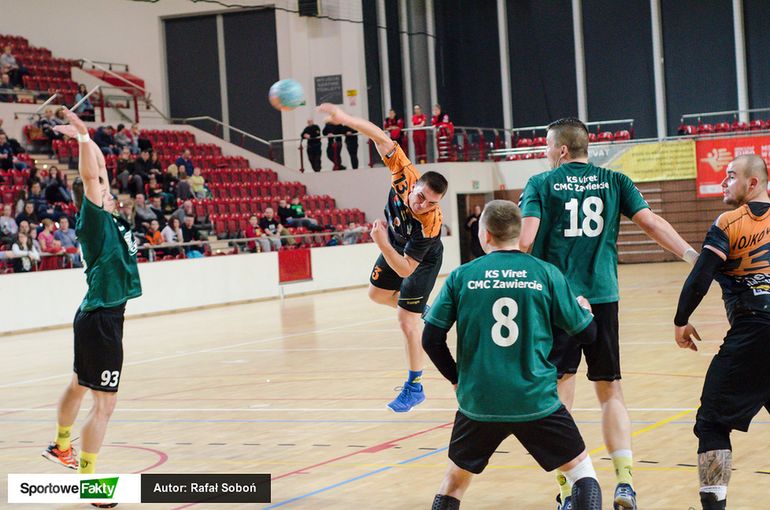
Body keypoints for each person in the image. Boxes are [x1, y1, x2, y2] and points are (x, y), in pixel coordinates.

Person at [517, 117, 698, 510]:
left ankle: (569, 490)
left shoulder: (540, 184)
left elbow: (526, 239)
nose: (546, 153)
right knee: (610, 389)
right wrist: (692, 257)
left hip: (557, 301)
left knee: (559, 391)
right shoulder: (616, 181)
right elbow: (651, 224)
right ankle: (625, 483)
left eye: (548, 146)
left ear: (562, 150)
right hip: (602, 297)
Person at [423, 200, 602, 510]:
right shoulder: (545, 273)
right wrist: (584, 310)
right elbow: (587, 335)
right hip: (535, 399)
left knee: (454, 481)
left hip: (479, 401)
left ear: (485, 234)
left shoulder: (461, 276)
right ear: (519, 234)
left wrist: (456, 379)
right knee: (581, 472)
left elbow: (431, 340)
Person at [319, 102, 447, 413]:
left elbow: (405, 269)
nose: (422, 205)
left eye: (430, 203)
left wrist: (381, 243)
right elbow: (380, 136)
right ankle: (424, 309)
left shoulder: (429, 224)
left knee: (406, 320)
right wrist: (344, 118)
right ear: (415, 186)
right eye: (421, 197)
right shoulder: (405, 173)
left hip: (420, 258)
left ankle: (415, 387)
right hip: (395, 243)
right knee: (376, 294)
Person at [42, 110, 141, 499]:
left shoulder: (109, 219)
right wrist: (82, 136)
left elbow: (98, 170)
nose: (108, 189)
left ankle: (61, 445)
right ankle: (90, 484)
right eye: (103, 190)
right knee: (105, 406)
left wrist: (87, 139)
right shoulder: (96, 220)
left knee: (79, 386)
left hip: (96, 317)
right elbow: (90, 177)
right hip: (101, 320)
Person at [672, 154, 770, 510]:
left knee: (712, 422)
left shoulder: (730, 222)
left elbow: (700, 278)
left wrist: (681, 319)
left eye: (731, 176)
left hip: (754, 330)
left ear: (752, 183)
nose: (723, 183)